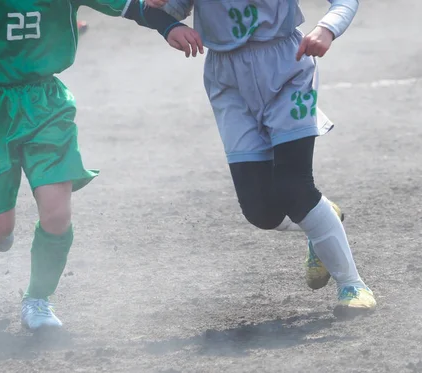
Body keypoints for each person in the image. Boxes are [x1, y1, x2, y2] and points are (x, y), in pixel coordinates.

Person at [0, 0, 203, 331]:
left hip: (45, 103)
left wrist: (168, 26)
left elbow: (129, 6)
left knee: (57, 211)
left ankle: (38, 300)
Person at [150, 0, 375, 318]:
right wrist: (168, 25)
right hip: (227, 81)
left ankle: (352, 286)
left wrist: (327, 28)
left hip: (288, 68)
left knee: (294, 186)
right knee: (261, 213)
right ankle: (321, 221)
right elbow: (153, 7)